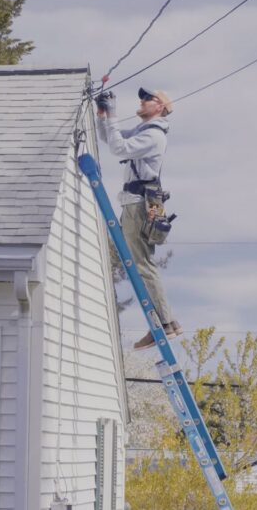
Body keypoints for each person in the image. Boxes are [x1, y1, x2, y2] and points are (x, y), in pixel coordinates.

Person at [96, 87, 182, 350]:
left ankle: (164, 324)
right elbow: (110, 139)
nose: (142, 101)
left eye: (149, 99)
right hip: (138, 203)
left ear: (160, 107)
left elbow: (119, 149)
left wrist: (112, 114)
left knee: (142, 264)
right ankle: (168, 323)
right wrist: (103, 115)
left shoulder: (154, 135)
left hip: (139, 204)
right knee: (141, 263)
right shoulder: (144, 131)